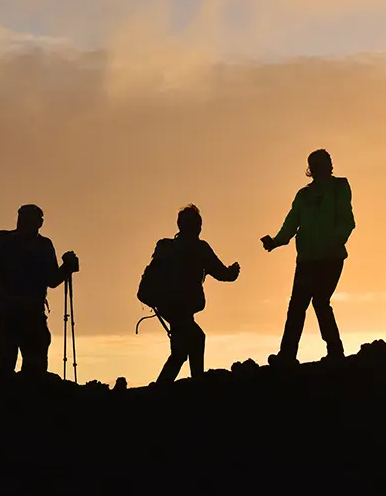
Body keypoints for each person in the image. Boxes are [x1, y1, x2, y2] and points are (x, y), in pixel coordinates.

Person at [261, 149, 356, 366]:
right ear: (310, 168)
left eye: (323, 163)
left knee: (320, 302)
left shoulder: (340, 187)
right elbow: (291, 223)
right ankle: (287, 355)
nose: (320, 167)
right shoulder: (303, 195)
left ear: (329, 165)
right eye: (316, 164)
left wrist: (333, 243)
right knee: (298, 306)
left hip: (330, 258)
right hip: (307, 259)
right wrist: (275, 241)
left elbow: (346, 221)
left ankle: (335, 352)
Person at [0, 204, 79, 376]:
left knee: (5, 366)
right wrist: (67, 267)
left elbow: (51, 280)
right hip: (29, 313)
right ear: (38, 222)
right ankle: (28, 400)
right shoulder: (42, 246)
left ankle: (8, 399)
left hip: (7, 313)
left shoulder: (2, 244)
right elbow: (52, 280)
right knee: (33, 369)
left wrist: (67, 268)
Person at [150, 204, 240, 384]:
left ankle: (163, 389)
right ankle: (195, 384)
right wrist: (234, 272)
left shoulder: (168, 248)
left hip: (168, 308)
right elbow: (222, 274)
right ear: (196, 226)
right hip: (180, 310)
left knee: (181, 352)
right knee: (195, 340)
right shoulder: (199, 248)